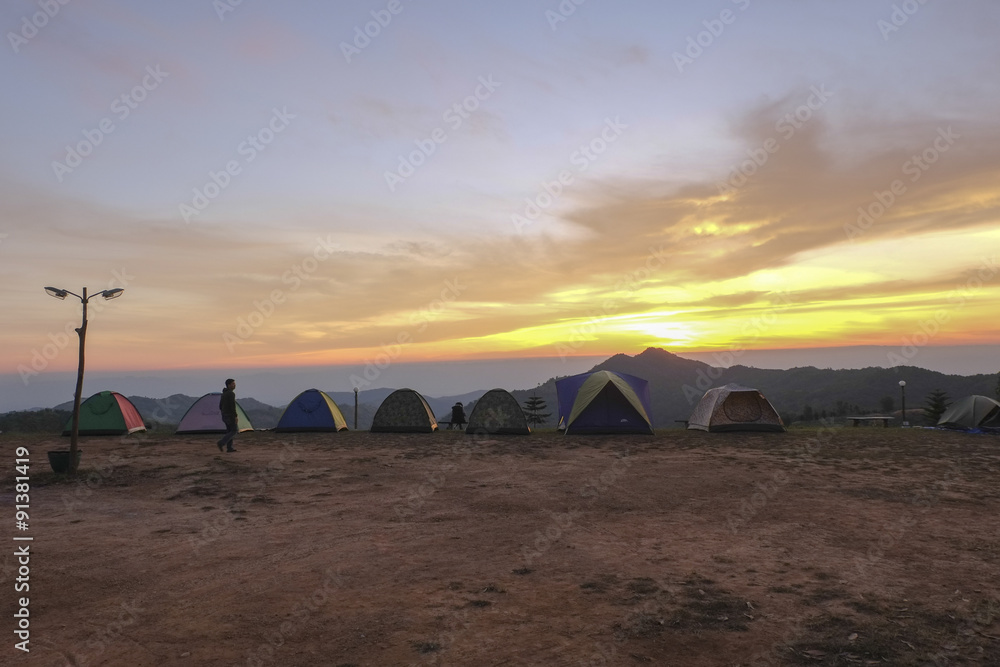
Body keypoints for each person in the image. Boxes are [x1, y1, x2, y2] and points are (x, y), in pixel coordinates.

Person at [217, 378, 238, 453]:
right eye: (233, 384)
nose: (234, 385)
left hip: (224, 415)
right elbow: (232, 406)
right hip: (230, 415)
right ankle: (221, 442)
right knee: (234, 430)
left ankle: (229, 448)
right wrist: (235, 416)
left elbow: (220, 406)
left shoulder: (224, 393)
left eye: (234, 384)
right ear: (229, 385)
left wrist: (224, 412)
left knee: (229, 430)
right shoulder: (231, 394)